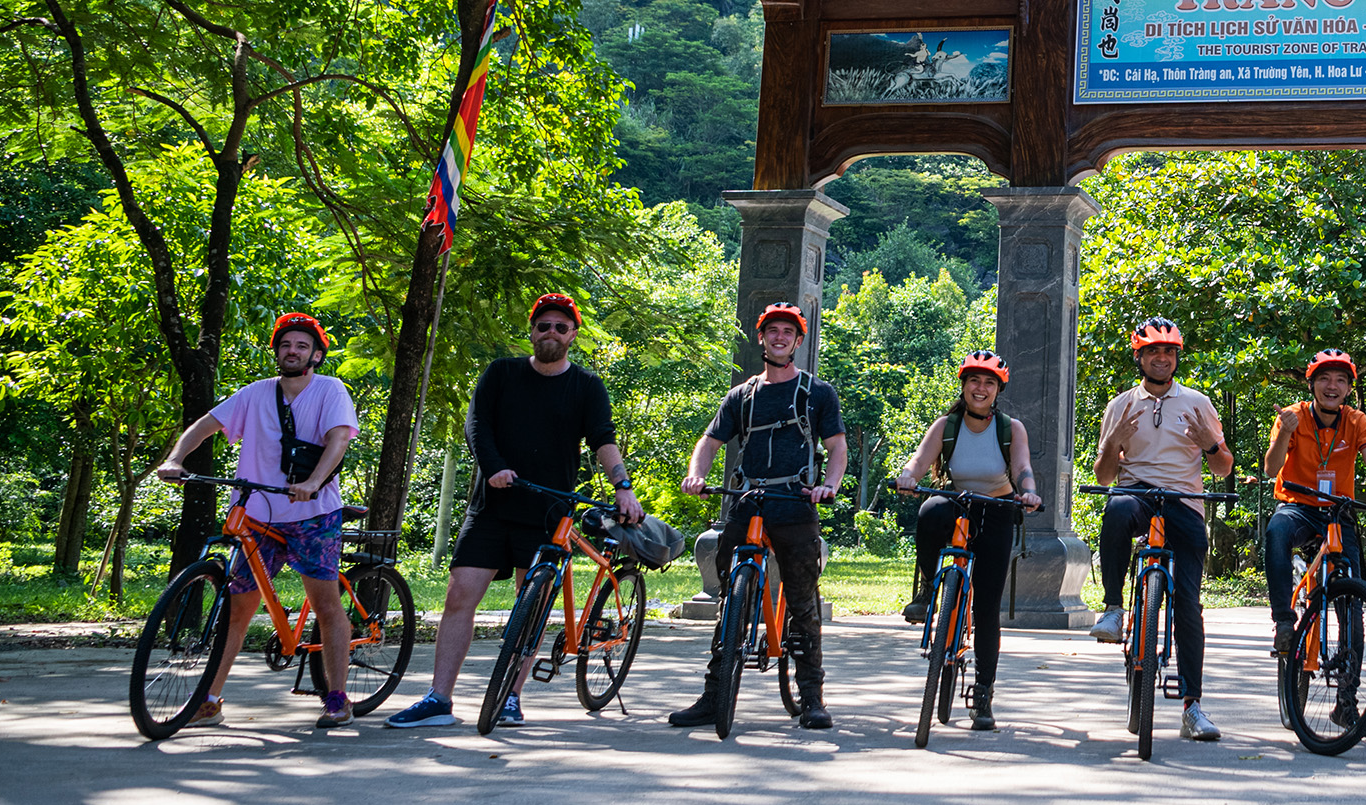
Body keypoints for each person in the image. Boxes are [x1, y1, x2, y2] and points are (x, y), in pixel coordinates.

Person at [387, 293, 640, 729]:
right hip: (493, 506)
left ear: (573, 336)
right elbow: (477, 424)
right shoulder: (501, 373)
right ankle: (438, 698)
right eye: (544, 326)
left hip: (547, 512)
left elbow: (602, 438)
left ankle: (511, 696)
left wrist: (623, 486)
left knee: (533, 605)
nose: (552, 333)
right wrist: (494, 467)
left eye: (562, 327)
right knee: (459, 597)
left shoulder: (586, 385)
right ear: (532, 331)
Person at [152, 314, 361, 729]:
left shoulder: (330, 390)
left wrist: (314, 482)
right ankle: (209, 699)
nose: (293, 351)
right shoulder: (254, 394)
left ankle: (337, 697)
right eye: (286, 345)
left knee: (325, 604)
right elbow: (206, 425)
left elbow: (338, 439)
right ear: (277, 352)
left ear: (316, 355)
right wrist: (176, 458)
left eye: (303, 346)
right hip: (258, 516)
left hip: (311, 513)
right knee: (238, 608)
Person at [668, 302, 849, 731]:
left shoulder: (817, 393)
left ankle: (811, 698)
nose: (780, 337)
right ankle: (714, 696)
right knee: (729, 599)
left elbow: (837, 446)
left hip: (794, 499)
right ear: (761, 338)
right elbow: (710, 442)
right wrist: (696, 475)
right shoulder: (743, 395)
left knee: (803, 603)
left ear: (798, 341)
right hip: (747, 500)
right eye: (773, 331)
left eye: (788, 332)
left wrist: (831, 485)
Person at [1089, 316, 1233, 742]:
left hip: (1183, 503)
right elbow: (1103, 476)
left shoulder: (1197, 402)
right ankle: (1114, 608)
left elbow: (1223, 468)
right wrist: (1112, 442)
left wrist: (1210, 442)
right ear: (1140, 356)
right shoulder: (1120, 405)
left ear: (1176, 358)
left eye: (1168, 351)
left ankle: (1193, 706)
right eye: (1153, 351)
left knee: (1188, 604)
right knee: (1115, 509)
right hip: (1136, 494)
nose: (1161, 358)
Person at [894, 350, 1041, 732]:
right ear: (964, 385)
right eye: (974, 380)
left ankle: (984, 692)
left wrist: (1028, 492)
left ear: (998, 391)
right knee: (929, 512)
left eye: (989, 383)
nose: (981, 388)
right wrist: (908, 476)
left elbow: (1023, 467)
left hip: (997, 508)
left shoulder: (1010, 428)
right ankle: (928, 591)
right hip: (958, 502)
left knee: (987, 606)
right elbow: (919, 461)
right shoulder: (948, 425)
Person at [1258, 350, 1366, 656]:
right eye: (1324, 378)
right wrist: (1285, 431)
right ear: (1311, 385)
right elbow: (1271, 469)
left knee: (1352, 591)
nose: (1331, 386)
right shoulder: (1292, 415)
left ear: (1349, 388)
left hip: (1338, 511)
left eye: (1340, 379)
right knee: (1276, 533)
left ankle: (1348, 694)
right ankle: (1283, 620)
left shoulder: (1355, 420)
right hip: (1297, 506)